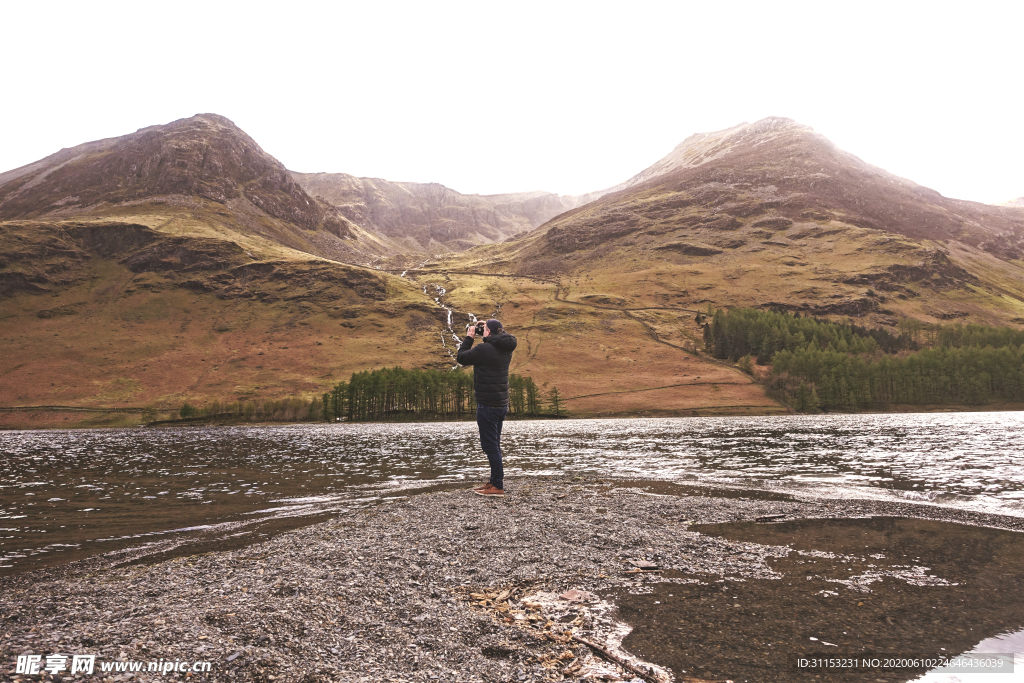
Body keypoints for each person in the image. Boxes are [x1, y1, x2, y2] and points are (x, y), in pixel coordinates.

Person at [457, 318, 517, 497]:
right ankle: (493, 482)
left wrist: (469, 337)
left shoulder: (484, 349)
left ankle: (497, 486)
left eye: (485, 330)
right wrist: (488, 329)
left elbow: (462, 357)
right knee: (495, 445)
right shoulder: (506, 348)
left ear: (489, 332)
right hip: (501, 404)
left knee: (490, 446)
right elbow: (496, 340)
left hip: (487, 405)